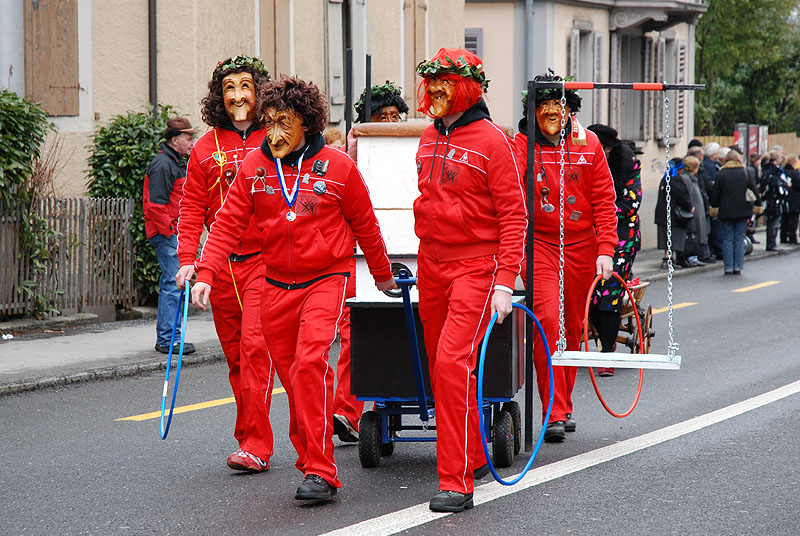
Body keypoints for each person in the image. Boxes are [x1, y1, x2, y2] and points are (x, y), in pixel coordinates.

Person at [190, 75, 396, 502]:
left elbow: (365, 224)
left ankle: (322, 471)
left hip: (325, 278)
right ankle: (309, 460)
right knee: (293, 378)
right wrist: (206, 272)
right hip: (275, 283)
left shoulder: (338, 166)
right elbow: (227, 223)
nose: (274, 132)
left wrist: (382, 275)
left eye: (283, 122)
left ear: (305, 122)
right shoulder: (255, 166)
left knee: (308, 365)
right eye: (268, 122)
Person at [414, 48, 527, 512]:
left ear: (466, 88)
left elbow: (514, 215)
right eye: (432, 82)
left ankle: (456, 482)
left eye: (445, 82)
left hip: (475, 267)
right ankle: (475, 455)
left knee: (451, 364)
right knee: (443, 371)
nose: (435, 91)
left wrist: (504, 281)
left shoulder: (493, 141)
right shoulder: (428, 136)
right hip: (431, 264)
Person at [175, 55, 273, 472]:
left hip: (265, 264)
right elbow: (191, 208)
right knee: (235, 358)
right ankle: (247, 435)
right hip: (220, 267)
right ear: (219, 96)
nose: (238, 96)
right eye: (229, 88)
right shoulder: (204, 147)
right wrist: (187, 260)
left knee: (254, 350)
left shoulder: (275, 136)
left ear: (259, 92)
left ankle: (257, 444)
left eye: (245, 86)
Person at [511, 71, 616, 444]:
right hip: (539, 244)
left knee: (571, 327)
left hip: (581, 245)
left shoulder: (589, 145)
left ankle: (564, 403)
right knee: (547, 320)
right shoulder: (520, 146)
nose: (553, 113)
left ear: (570, 109)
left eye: (558, 105)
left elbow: (604, 201)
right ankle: (553, 412)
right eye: (544, 106)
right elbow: (509, 195)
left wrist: (606, 250)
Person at [332, 80, 410, 445]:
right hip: (358, 255)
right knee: (357, 331)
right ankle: (347, 413)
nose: (391, 124)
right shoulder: (349, 156)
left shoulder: (412, 148)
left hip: (406, 249)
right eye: (382, 118)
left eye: (395, 117)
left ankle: (390, 402)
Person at [586, 124, 642, 377]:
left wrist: (599, 210)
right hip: (588, 235)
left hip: (621, 237)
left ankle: (607, 352)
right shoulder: (582, 162)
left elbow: (631, 203)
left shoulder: (628, 166)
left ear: (608, 149)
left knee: (608, 293)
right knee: (588, 295)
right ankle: (600, 339)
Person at [143, 117, 197, 355]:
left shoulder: (174, 162)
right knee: (174, 284)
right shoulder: (163, 164)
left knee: (175, 283)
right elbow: (155, 206)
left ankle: (170, 337)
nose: (192, 142)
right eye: (188, 138)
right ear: (175, 140)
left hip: (172, 232)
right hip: (167, 233)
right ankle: (168, 339)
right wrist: (172, 232)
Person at [709, 149, 760, 274]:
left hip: (726, 211)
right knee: (739, 238)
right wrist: (757, 205)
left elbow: (715, 193)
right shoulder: (745, 172)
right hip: (743, 210)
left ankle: (728, 267)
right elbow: (754, 190)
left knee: (727, 239)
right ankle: (738, 266)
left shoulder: (722, 173)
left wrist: (714, 207)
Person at [346, 80, 409, 161]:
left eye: (394, 117)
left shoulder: (406, 147)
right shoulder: (349, 152)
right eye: (383, 118)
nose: (390, 122)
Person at [655, 158, 693, 269]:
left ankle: (666, 258)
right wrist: (689, 207)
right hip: (673, 215)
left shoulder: (665, 179)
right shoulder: (675, 180)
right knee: (672, 238)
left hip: (662, 214)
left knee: (666, 238)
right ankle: (669, 259)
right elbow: (681, 197)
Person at [679, 155, 709, 268]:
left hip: (697, 210)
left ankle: (695, 256)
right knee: (693, 234)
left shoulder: (693, 179)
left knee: (697, 233)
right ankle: (691, 257)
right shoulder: (687, 179)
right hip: (694, 211)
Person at [760, 150, 790, 251]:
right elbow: (775, 184)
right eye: (781, 157)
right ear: (776, 159)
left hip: (773, 199)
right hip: (773, 199)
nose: (782, 159)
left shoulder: (768, 170)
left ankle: (772, 242)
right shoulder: (773, 171)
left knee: (774, 222)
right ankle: (771, 243)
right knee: (773, 222)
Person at [780, 154, 800, 244]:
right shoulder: (793, 173)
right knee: (793, 219)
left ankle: (783, 237)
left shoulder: (783, 171)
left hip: (784, 198)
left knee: (784, 218)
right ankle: (792, 238)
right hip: (794, 199)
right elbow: (798, 185)